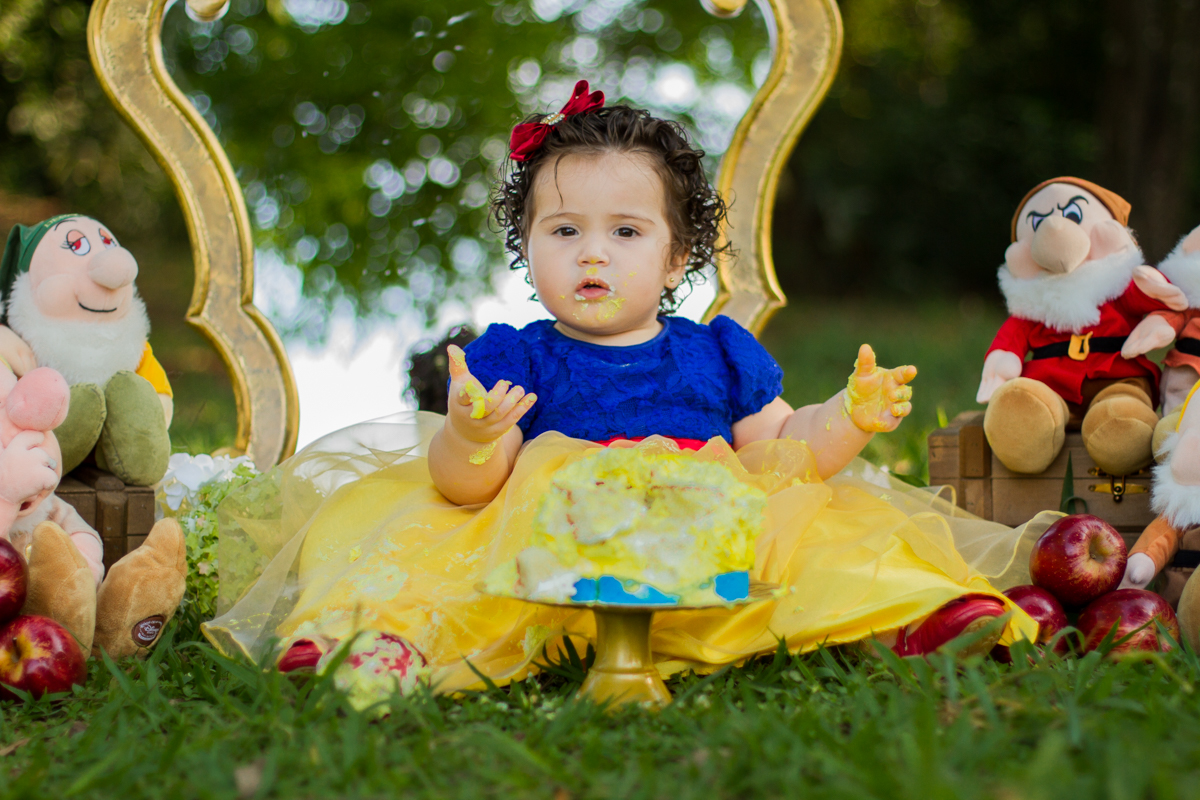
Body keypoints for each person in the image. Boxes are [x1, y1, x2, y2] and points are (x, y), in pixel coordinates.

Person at [203, 82, 1040, 692]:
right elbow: (467, 491)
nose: (592, 253)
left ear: (677, 258)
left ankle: (911, 622)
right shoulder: (517, 357)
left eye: (627, 232)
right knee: (422, 552)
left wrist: (848, 418)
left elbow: (788, 454)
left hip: (705, 541)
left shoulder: (719, 353)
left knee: (823, 540)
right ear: (527, 247)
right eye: (564, 230)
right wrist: (471, 435)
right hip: (548, 549)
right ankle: (370, 645)